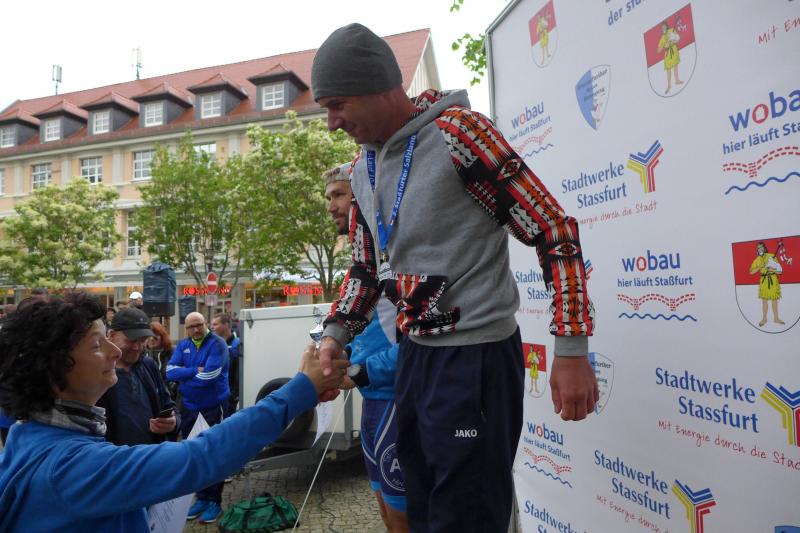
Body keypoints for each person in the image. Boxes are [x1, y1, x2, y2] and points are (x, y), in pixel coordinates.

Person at [311, 23, 597, 532]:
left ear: (378, 86)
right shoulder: (362, 168)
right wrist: (336, 334)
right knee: (423, 510)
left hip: (476, 358)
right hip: (415, 359)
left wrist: (571, 349)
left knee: (467, 516)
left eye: (337, 105)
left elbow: (552, 229)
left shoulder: (460, 134)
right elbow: (365, 268)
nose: (331, 123)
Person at [0, 292, 347, 532]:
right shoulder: (70, 468)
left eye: (109, 337)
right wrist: (300, 389)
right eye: (96, 344)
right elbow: (200, 457)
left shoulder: (25, 435)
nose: (114, 351)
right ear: (53, 368)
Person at [324, 164, 408, 532]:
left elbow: (416, 347)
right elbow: (367, 335)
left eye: (339, 195)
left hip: (398, 401)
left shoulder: (395, 256)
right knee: (386, 512)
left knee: (405, 517)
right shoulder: (363, 266)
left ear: (362, 195)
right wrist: (337, 355)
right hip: (372, 403)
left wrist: (355, 374)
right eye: (328, 197)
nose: (331, 206)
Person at [166, 311, 231, 523]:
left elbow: (209, 376)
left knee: (214, 453)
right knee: (195, 453)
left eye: (199, 325)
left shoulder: (217, 344)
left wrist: (185, 380)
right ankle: (202, 498)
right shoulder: (184, 345)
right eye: (191, 327)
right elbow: (169, 371)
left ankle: (214, 501)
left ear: (206, 324)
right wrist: (194, 370)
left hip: (213, 407)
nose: (195, 330)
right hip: (189, 408)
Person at [96, 308, 179, 446]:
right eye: (132, 340)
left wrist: (173, 422)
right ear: (111, 335)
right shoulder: (97, 372)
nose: (137, 347)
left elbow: (168, 404)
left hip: (150, 454)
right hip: (114, 456)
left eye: (142, 340)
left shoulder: (148, 365)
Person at [211, 313, 241, 417]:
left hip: (229, 399)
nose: (212, 327)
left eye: (215, 324)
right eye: (212, 324)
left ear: (227, 325)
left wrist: (233, 396)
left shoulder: (237, 345)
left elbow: (239, 374)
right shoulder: (214, 345)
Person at [749, 241, 785, 327]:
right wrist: (760, 266)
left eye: (761, 247)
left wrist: (772, 270)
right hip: (764, 281)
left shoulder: (771, 256)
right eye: (758, 248)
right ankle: (764, 319)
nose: (760, 249)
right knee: (764, 301)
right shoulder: (757, 260)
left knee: (774, 299)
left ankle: (776, 318)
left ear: (764, 248)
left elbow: (780, 271)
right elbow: (751, 272)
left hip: (773, 279)